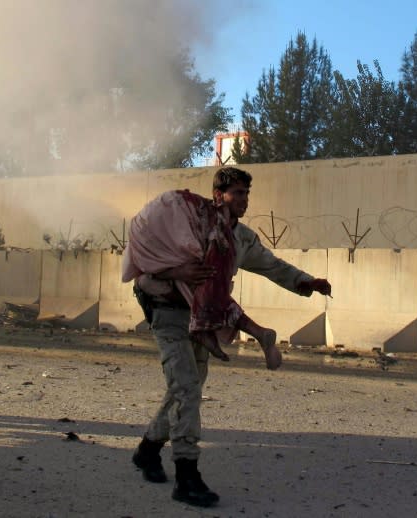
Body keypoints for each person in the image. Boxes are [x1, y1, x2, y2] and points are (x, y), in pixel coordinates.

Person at [123, 167, 332, 508]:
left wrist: (306, 282)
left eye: (247, 193)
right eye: (237, 193)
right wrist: (179, 272)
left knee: (183, 388)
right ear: (219, 194)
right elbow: (147, 263)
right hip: (168, 314)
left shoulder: (242, 238)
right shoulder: (188, 223)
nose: (244, 200)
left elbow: (272, 265)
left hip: (203, 319)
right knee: (187, 387)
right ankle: (187, 476)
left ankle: (147, 451)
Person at [122, 188, 277, 365]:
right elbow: (144, 268)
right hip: (177, 310)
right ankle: (254, 332)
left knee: (188, 384)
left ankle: (235, 332)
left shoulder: (194, 226)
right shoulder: (157, 233)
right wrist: (176, 271)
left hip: (180, 312)